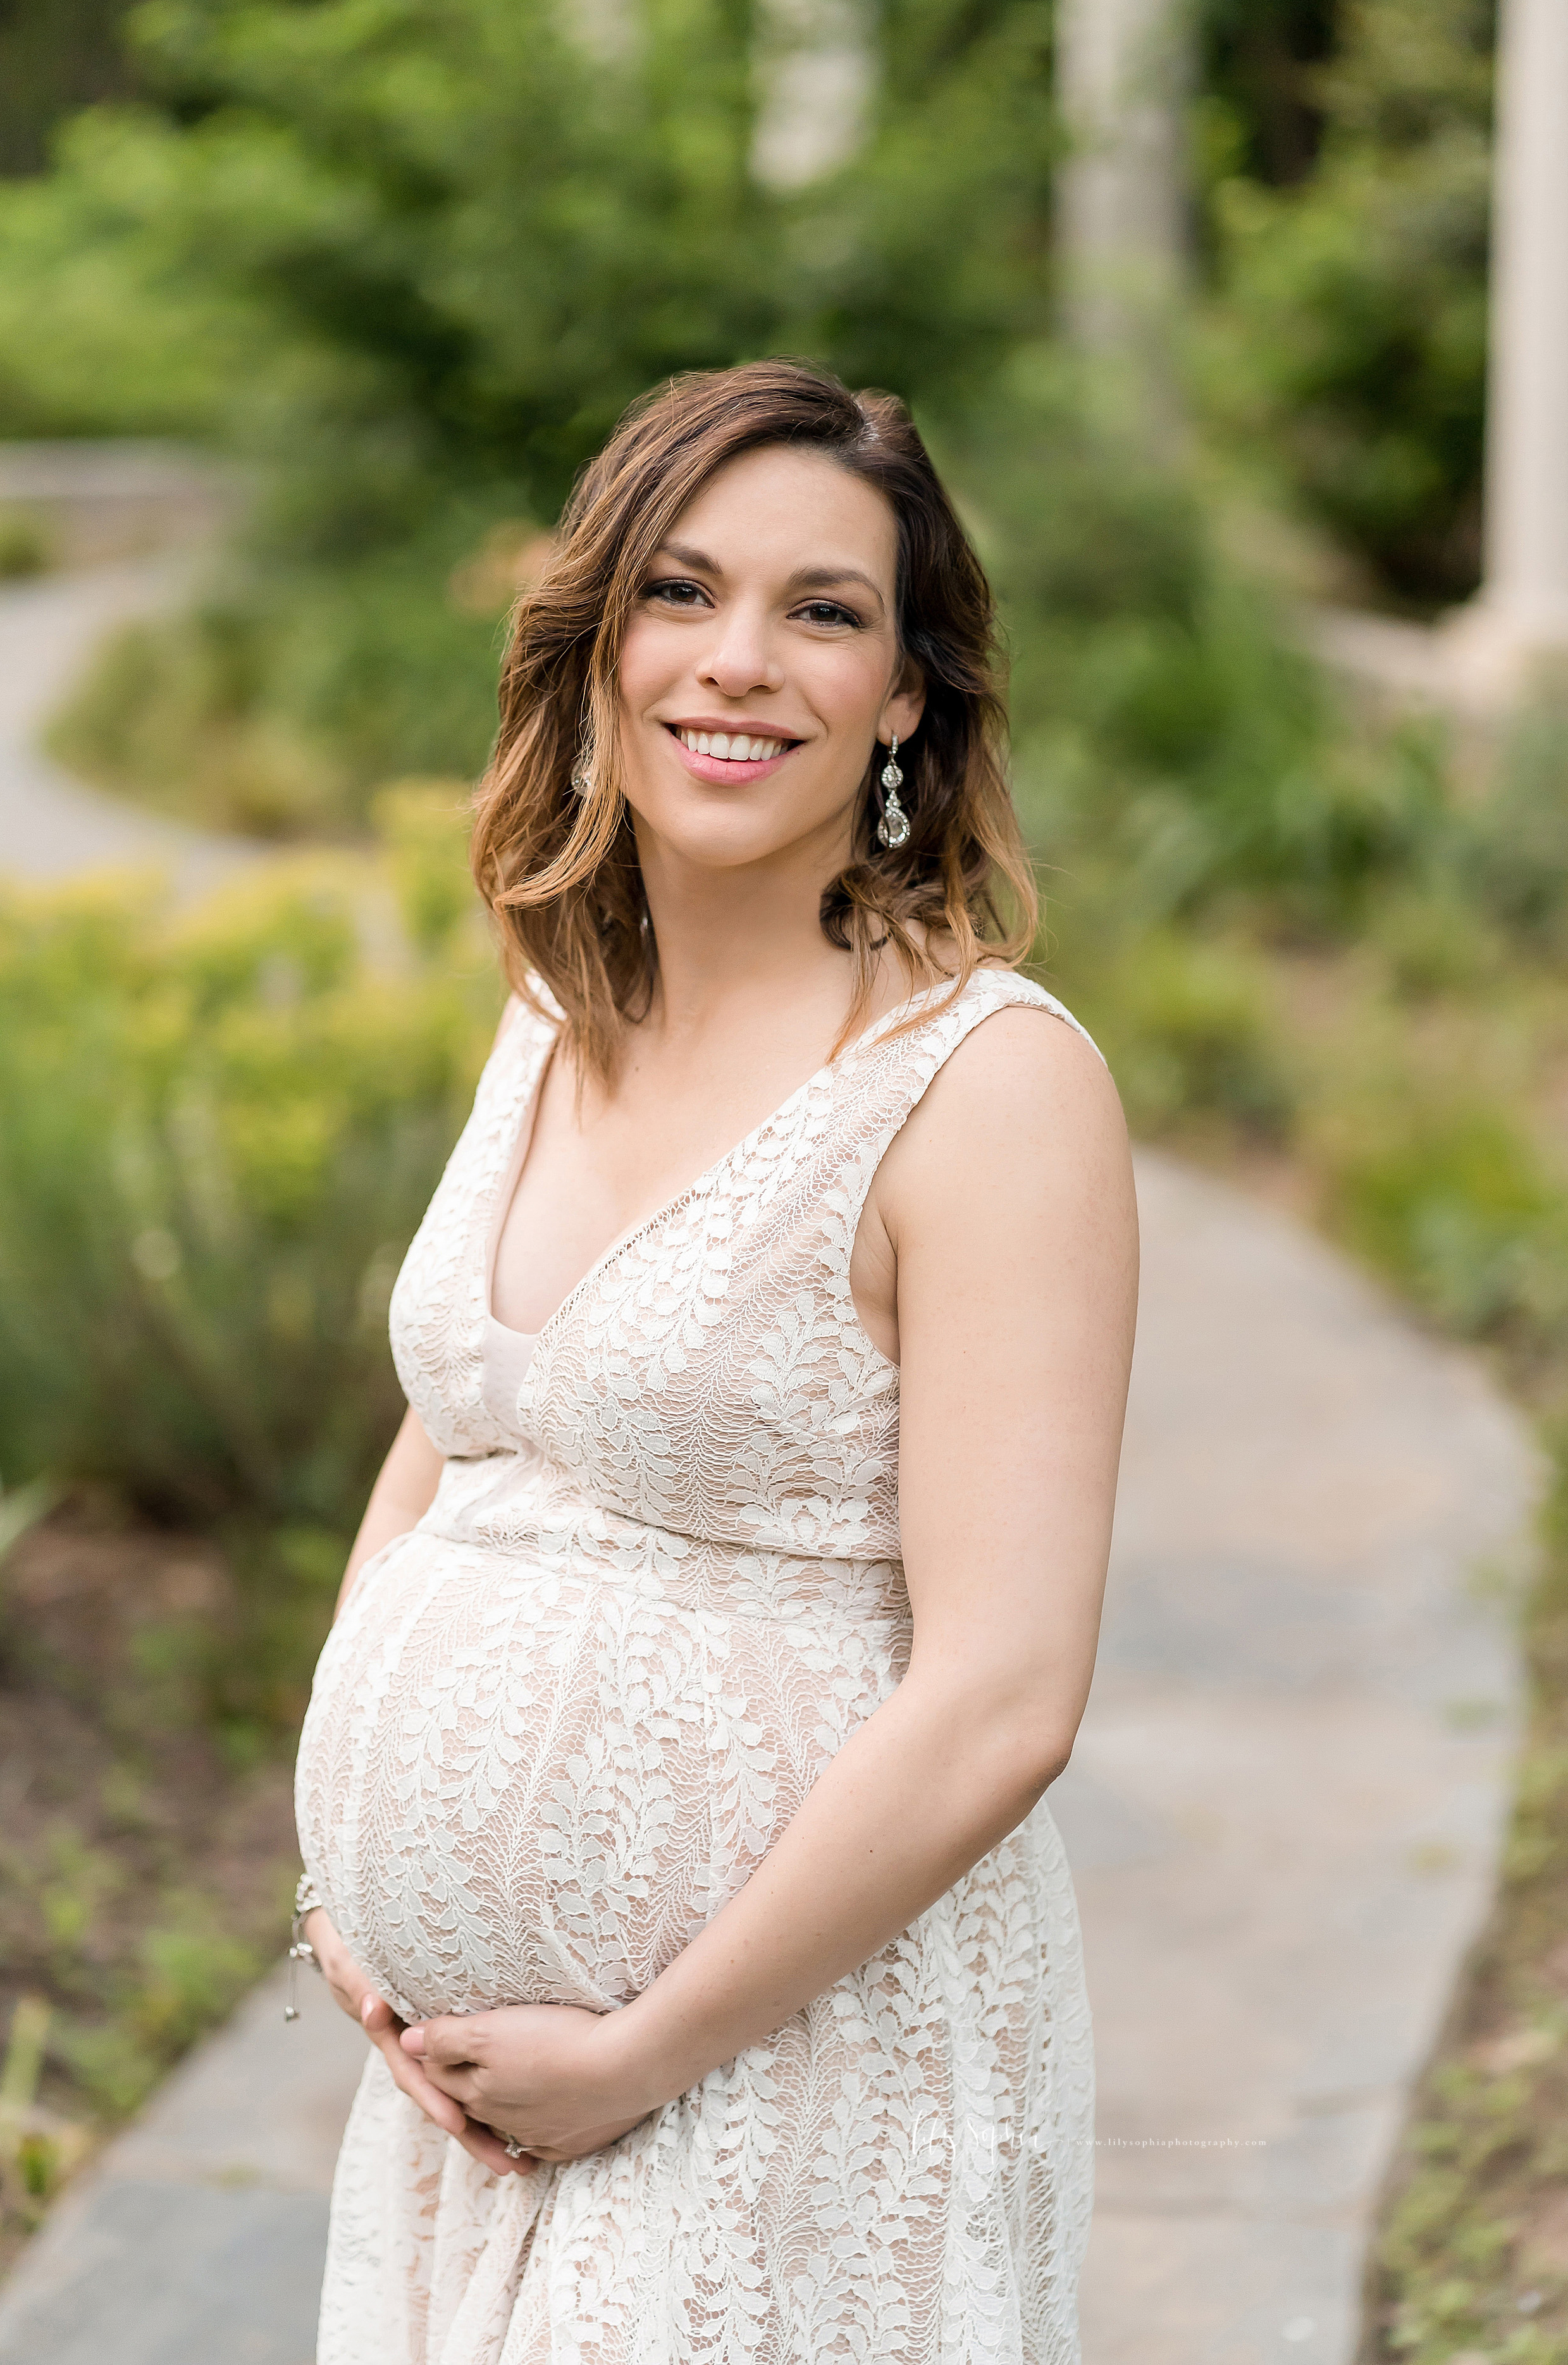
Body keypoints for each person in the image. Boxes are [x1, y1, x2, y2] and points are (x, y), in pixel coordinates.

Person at [292, 359, 1139, 2364]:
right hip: (460, 2112)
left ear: (909, 690)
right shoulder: (551, 1005)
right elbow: (454, 1448)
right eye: (680, 595)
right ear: (597, 648)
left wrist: (645, 2051)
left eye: (823, 612)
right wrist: (337, 1892)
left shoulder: (986, 1087)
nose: (738, 664)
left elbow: (1005, 1695)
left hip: (783, 2086)